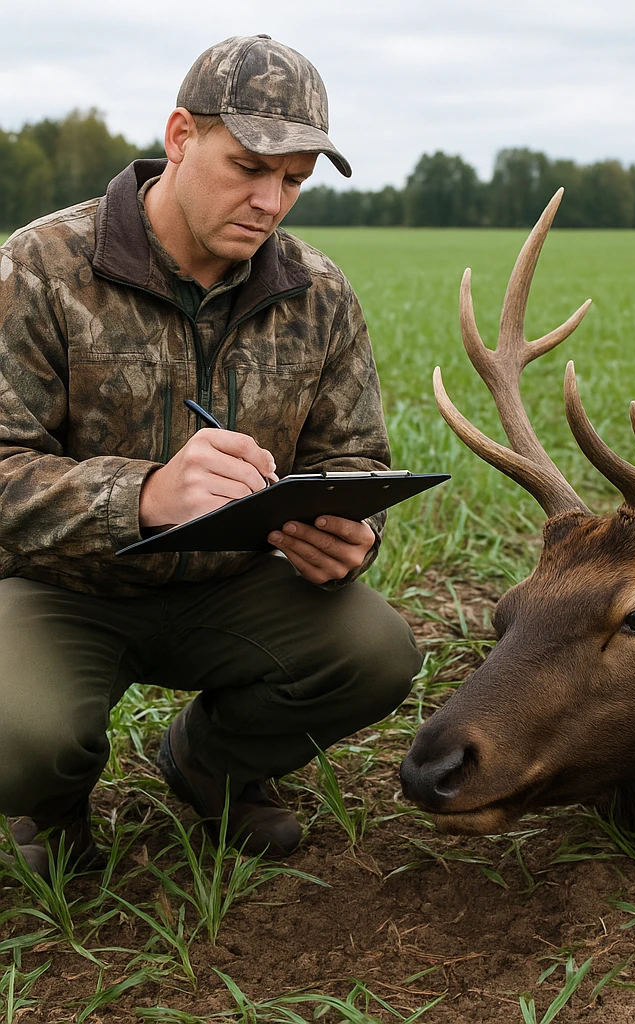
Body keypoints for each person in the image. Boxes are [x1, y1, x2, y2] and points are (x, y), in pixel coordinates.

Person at [0, 35, 423, 878]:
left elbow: (354, 460)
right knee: (19, 733)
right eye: (248, 167)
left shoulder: (318, 291)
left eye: (294, 180)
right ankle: (53, 800)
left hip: (235, 589)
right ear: (180, 137)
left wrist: (349, 533)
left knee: (379, 654)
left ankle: (211, 763)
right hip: (63, 590)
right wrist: (146, 495)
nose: (270, 200)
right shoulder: (38, 268)